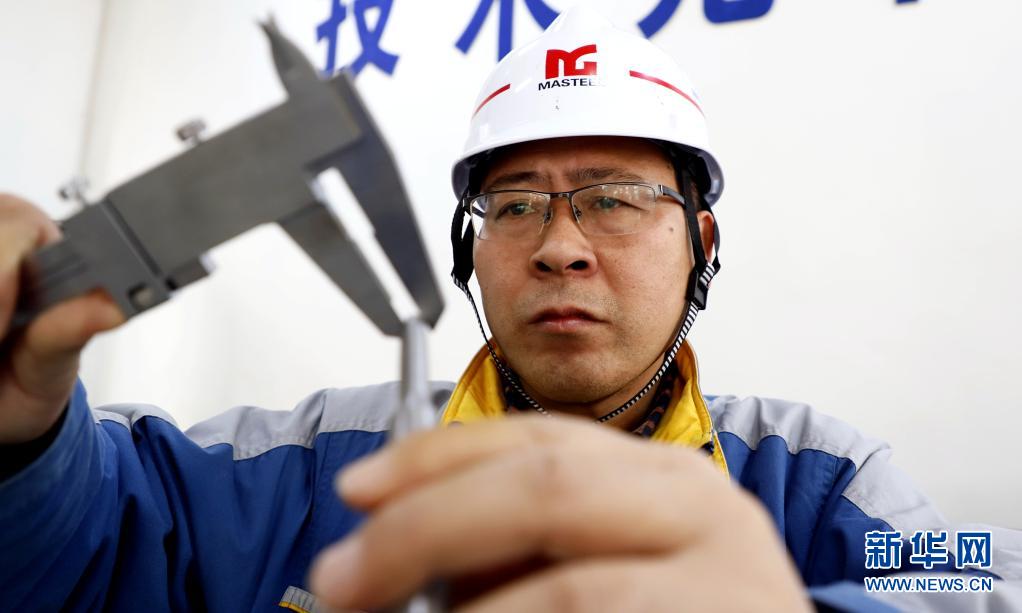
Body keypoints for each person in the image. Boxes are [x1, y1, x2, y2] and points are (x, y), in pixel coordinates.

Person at [1, 6, 1018, 612]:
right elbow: (90, 546)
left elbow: (979, 576)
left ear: (700, 245)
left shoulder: (819, 482)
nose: (559, 244)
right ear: (470, 252)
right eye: (516, 204)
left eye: (615, 199)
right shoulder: (303, 468)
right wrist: (24, 430)